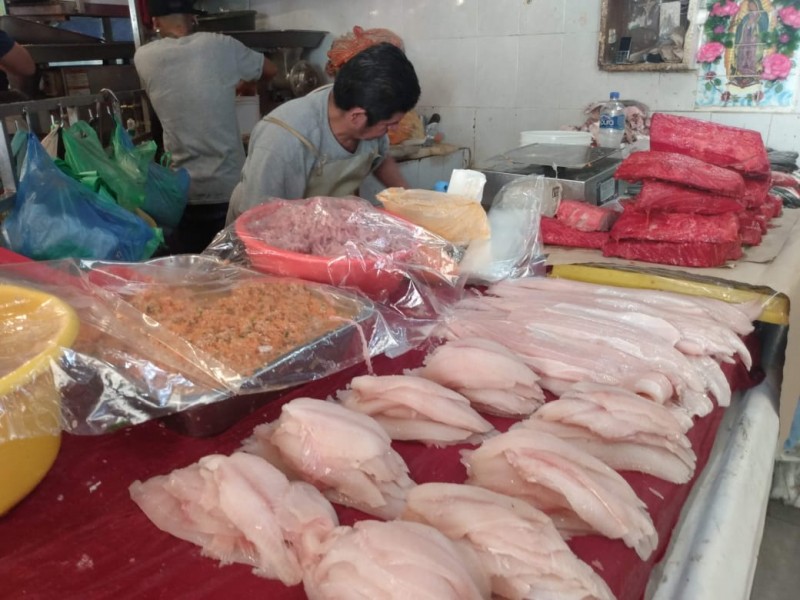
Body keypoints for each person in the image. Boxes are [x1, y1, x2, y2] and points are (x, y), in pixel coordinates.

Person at [134, 0, 277, 253]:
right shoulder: (220, 45)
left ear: (155, 22)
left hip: (183, 192)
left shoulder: (143, 57)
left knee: (196, 272)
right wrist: (243, 83)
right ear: (192, 18)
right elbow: (270, 69)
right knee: (237, 270)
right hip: (230, 188)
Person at [227, 42, 420, 224]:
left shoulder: (366, 108)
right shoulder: (282, 139)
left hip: (322, 225)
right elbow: (257, 222)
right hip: (264, 231)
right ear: (357, 117)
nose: (393, 130)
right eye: (390, 125)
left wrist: (413, 207)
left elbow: (380, 158)